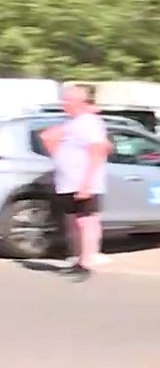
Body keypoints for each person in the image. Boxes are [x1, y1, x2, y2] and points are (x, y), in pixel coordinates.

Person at [41, 83, 110, 281]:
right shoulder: (74, 122)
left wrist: (87, 184)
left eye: (68, 100)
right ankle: (78, 260)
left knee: (86, 221)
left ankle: (87, 261)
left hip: (83, 181)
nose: (64, 103)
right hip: (69, 181)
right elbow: (47, 136)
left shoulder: (90, 122)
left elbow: (98, 150)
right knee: (74, 221)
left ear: (81, 102)